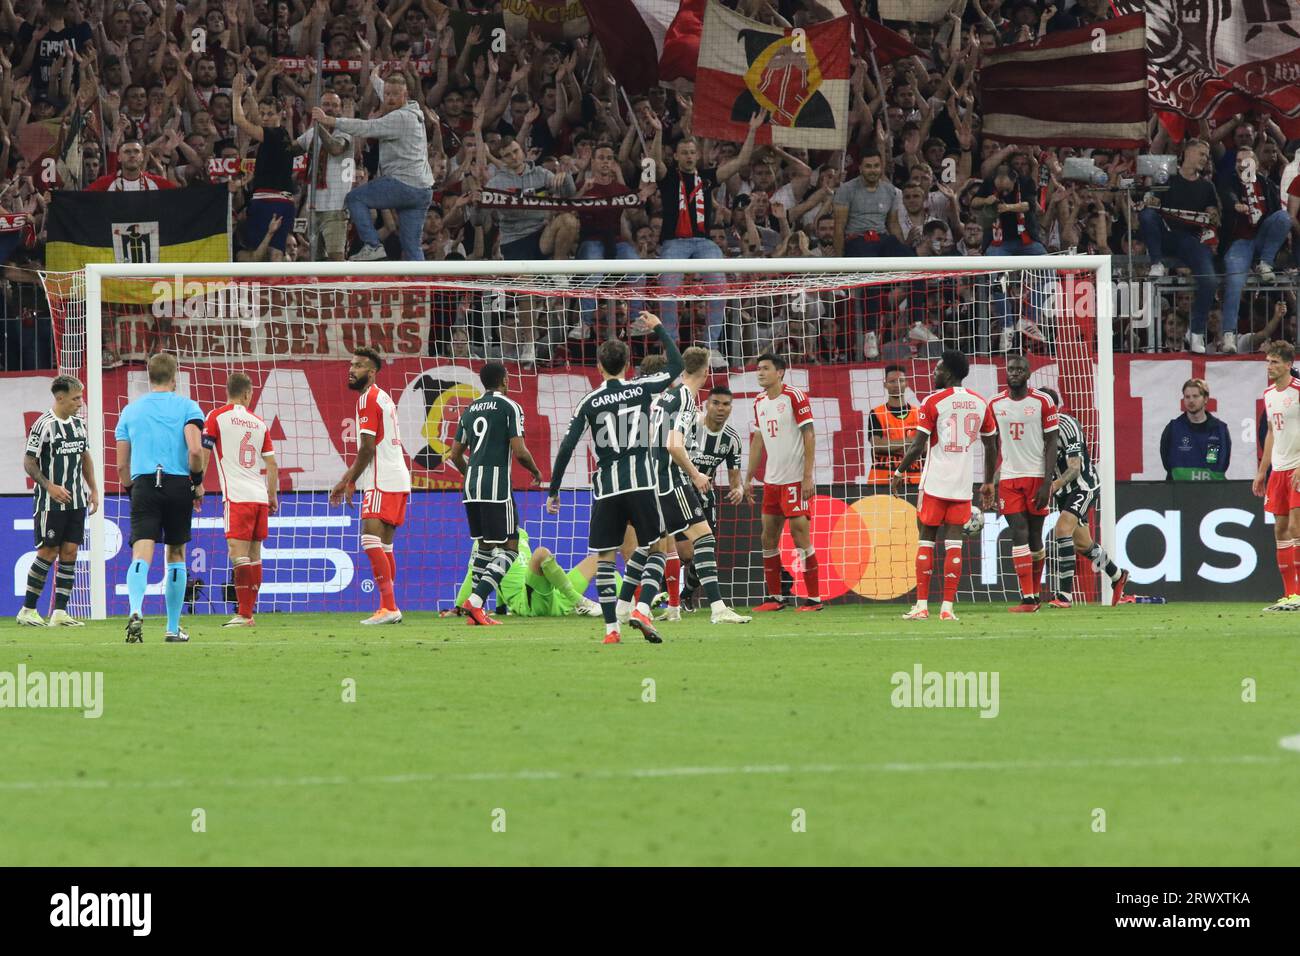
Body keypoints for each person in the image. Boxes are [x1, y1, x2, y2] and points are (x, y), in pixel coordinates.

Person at [546, 313, 683, 645]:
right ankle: (642, 609)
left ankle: (611, 630)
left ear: (599, 366)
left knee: (606, 557)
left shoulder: (589, 402)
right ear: (627, 364)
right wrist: (659, 328)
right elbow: (677, 366)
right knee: (658, 549)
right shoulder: (642, 387)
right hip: (641, 482)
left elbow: (566, 447)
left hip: (606, 488)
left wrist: (554, 491)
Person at [646, 346, 751, 625]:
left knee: (659, 546)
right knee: (703, 538)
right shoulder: (685, 398)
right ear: (705, 371)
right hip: (671, 478)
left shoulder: (668, 395)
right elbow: (672, 444)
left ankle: (652, 607)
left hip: (655, 478)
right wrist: (695, 474)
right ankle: (717, 608)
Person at [891, 350, 998, 622]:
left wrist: (899, 471)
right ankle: (947, 608)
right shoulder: (980, 402)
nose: (934, 372)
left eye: (938, 369)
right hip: (962, 486)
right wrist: (987, 481)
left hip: (935, 483)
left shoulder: (933, 401)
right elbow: (991, 444)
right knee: (954, 546)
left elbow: (917, 446)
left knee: (926, 541)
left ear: (948, 372)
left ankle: (922, 606)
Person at [651, 112, 766, 366]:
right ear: (677, 156)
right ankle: (670, 348)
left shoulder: (707, 177)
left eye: (693, 153)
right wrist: (659, 132)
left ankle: (710, 346)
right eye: (684, 153)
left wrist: (752, 130)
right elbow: (655, 161)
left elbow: (742, 160)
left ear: (698, 156)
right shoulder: (668, 176)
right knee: (667, 290)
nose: (689, 157)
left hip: (704, 243)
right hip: (674, 244)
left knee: (719, 287)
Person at [114, 354, 205, 643]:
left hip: (143, 484)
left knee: (141, 552)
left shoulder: (130, 411)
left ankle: (136, 609)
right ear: (174, 375)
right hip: (178, 484)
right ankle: (172, 627)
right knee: (175, 554)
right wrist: (198, 482)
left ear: (148, 376)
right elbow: (194, 451)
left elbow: (121, 466)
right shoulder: (188, 407)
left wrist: (133, 489)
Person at [446, 361, 545, 626]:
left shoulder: (469, 410)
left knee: (485, 547)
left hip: (471, 487)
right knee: (511, 547)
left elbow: (455, 454)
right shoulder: (510, 406)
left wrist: (470, 475)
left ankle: (474, 612)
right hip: (496, 487)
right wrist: (536, 471)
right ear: (504, 380)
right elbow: (520, 450)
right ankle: (476, 602)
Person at [329, 347, 412, 625]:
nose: (352, 370)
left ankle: (389, 607)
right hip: (398, 476)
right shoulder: (384, 397)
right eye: (351, 365)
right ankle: (388, 607)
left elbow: (366, 449)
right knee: (385, 546)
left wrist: (347, 480)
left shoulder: (368, 399)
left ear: (372, 372)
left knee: (369, 539)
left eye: (359, 366)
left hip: (382, 478)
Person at [313, 71, 433, 261]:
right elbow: (386, 91)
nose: (390, 98)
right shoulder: (412, 110)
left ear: (405, 95)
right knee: (412, 246)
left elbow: (366, 128)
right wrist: (374, 77)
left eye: (395, 94)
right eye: (387, 94)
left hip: (404, 185)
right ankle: (422, 289)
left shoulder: (400, 118)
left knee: (355, 199)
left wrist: (331, 121)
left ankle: (373, 245)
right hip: (422, 191)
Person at [17, 376, 99, 627]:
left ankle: (60, 612)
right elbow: (29, 462)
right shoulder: (43, 425)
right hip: (49, 503)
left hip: (76, 501)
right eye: (75, 398)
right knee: (48, 551)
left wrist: (94, 489)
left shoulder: (78, 424)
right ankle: (28, 610)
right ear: (60, 397)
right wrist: (49, 486)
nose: (80, 402)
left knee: (70, 552)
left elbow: (85, 457)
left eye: (80, 397)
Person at [743, 353, 822, 611]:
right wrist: (747, 478)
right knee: (768, 538)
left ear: (780, 372)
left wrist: (807, 476)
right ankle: (775, 598)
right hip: (772, 482)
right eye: (758, 369)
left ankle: (814, 599)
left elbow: (809, 435)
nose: (760, 373)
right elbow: (757, 441)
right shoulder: (759, 401)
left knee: (800, 536)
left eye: (765, 369)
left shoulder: (794, 396)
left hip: (795, 480)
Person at [1038, 388, 1129, 607]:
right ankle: (1117, 575)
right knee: (1083, 543)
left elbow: (1075, 468)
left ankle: (1064, 596)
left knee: (1061, 529)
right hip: (1061, 492)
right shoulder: (1032, 429)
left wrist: (1054, 485)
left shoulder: (1068, 425)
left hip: (1082, 486)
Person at [201, 373, 278, 627]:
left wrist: (196, 482)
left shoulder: (216, 416)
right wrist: (272, 494)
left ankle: (244, 614)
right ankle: (248, 613)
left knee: (238, 554)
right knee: (255, 555)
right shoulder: (259, 423)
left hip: (236, 496)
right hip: (259, 496)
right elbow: (272, 463)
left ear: (228, 391)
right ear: (247, 394)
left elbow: (205, 450)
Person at [989, 354, 1059, 611]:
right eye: (1011, 369)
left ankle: (1035, 593)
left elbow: (1052, 442)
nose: (1015, 373)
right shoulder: (995, 403)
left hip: (1036, 475)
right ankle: (1028, 598)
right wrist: (990, 480)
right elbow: (991, 442)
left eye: (1020, 369)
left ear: (1029, 374)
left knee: (1035, 537)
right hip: (1008, 477)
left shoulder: (1043, 401)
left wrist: (1046, 481)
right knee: (1018, 530)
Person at [1139, 139, 1221, 354]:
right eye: (1201, 153)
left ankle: (1195, 333)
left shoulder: (1207, 185)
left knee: (1210, 280)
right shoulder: (1167, 176)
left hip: (1190, 241)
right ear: (1187, 152)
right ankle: (1156, 262)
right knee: (1146, 215)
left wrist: (1213, 214)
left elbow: (1213, 213)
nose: (1204, 158)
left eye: (1206, 155)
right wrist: (1152, 202)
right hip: (1165, 234)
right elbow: (1151, 203)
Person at [1216, 146, 1292, 354]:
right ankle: (1229, 334)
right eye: (1238, 161)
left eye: (1247, 160)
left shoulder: (1267, 184)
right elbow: (1226, 194)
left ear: (1256, 165)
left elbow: (1278, 219)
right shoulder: (1228, 180)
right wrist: (1235, 205)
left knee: (1284, 217)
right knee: (1234, 281)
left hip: (1262, 238)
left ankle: (1265, 263)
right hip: (1240, 241)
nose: (1242, 164)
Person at [677, 386, 745, 611]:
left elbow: (736, 480)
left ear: (730, 408)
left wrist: (739, 490)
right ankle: (664, 596)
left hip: (704, 496)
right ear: (707, 404)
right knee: (683, 553)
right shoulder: (689, 426)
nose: (720, 408)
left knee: (705, 548)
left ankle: (686, 593)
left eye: (725, 404)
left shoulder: (732, 439)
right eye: (716, 403)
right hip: (676, 490)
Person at [971, 163, 1048, 349]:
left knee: (1048, 267)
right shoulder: (990, 182)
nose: (1003, 191)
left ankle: (1029, 320)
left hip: (1027, 241)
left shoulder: (1026, 182)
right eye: (1000, 188)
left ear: (1014, 180)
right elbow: (973, 202)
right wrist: (986, 200)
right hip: (999, 243)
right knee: (996, 276)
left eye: (1007, 188)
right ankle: (1007, 327)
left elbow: (1029, 205)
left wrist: (1007, 208)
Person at [449, 528, 601, 618]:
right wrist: (458, 607)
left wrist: (500, 610)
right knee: (541, 553)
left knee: (598, 560)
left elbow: (507, 575)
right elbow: (474, 575)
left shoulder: (520, 534)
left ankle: (623, 606)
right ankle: (580, 602)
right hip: (528, 603)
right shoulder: (484, 543)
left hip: (555, 596)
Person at [1252, 341, 1300, 610]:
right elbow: (1271, 432)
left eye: (1274, 362)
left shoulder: (1298, 391)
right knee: (1281, 530)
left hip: (1297, 467)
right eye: (1268, 361)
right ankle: (1290, 595)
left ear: (1288, 364)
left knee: (1297, 528)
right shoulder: (1269, 394)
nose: (1269, 366)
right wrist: (1262, 472)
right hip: (1278, 471)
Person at [232, 76, 298, 261]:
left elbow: (239, 120)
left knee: (259, 255)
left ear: (280, 114)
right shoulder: (282, 133)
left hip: (267, 201)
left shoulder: (272, 135)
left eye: (270, 114)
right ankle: (277, 290)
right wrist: (251, 95)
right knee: (276, 254)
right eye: (263, 114)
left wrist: (236, 95)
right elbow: (256, 117)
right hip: (285, 203)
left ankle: (264, 290)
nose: (265, 118)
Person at [296, 90, 354, 261]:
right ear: (319, 108)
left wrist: (319, 126)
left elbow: (335, 148)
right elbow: (289, 149)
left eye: (334, 105)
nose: (329, 109)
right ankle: (322, 289)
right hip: (313, 209)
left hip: (336, 209)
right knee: (316, 260)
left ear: (340, 110)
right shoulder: (311, 134)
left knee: (336, 259)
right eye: (326, 105)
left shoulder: (344, 131)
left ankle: (341, 289)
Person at [832, 149, 910, 257]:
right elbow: (839, 228)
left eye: (876, 166)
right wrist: (839, 260)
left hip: (882, 239)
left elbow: (894, 225)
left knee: (907, 254)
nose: (873, 170)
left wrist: (903, 248)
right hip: (857, 240)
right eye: (868, 166)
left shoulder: (890, 190)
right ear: (860, 168)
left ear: (881, 168)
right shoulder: (846, 190)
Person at [1159, 378, 1231, 481]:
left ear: (1205, 399)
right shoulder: (1173, 428)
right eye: (1187, 397)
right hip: (1179, 492)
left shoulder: (1219, 430)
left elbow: (1222, 464)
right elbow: (1166, 462)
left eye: (1195, 396)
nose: (1191, 400)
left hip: (1212, 492)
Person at [867, 365, 922, 487]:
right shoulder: (876, 413)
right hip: (882, 481)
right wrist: (910, 442)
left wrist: (890, 445)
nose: (897, 385)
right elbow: (877, 445)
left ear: (906, 383)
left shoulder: (919, 413)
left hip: (913, 481)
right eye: (892, 381)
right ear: (885, 384)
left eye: (901, 381)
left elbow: (925, 448)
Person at [85, 139, 176, 191]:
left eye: (136, 152)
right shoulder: (105, 183)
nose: (132, 155)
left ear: (142, 157)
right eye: (127, 152)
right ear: (119, 158)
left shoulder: (157, 183)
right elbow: (80, 200)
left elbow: (179, 199)